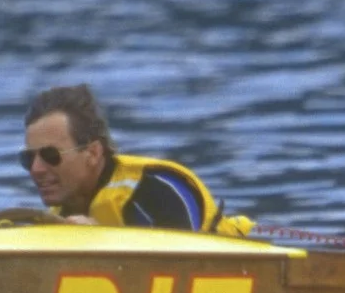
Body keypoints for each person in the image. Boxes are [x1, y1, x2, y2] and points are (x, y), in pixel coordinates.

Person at [19, 84, 251, 235]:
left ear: (93, 153)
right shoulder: (57, 220)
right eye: (28, 158)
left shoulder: (156, 187)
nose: (36, 169)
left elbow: (187, 267)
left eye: (51, 156)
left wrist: (100, 240)